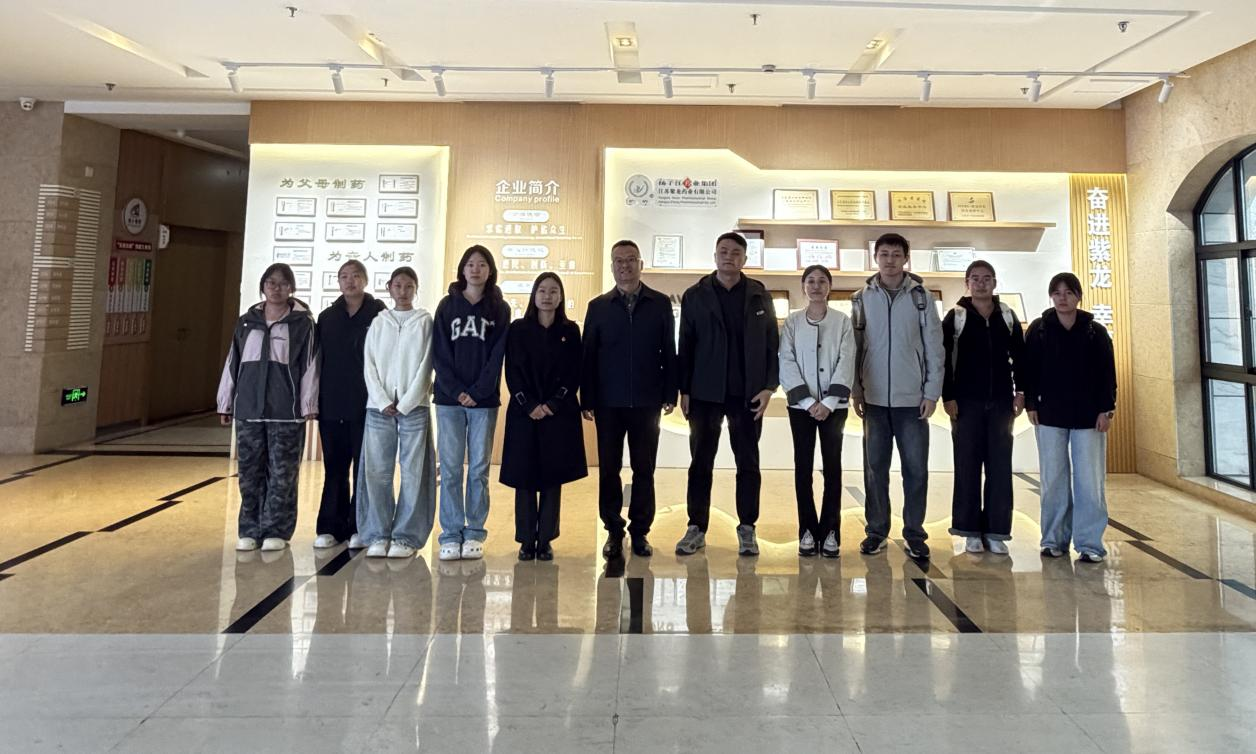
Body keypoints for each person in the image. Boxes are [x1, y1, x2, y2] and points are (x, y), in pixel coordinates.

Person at [675, 231, 780, 557]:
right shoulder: (696, 295)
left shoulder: (759, 295)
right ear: (715, 256)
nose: (729, 257)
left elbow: (772, 344)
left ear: (745, 259)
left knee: (748, 462)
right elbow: (685, 344)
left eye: (736, 253)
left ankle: (747, 527)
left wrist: (769, 387)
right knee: (700, 462)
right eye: (723, 251)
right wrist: (684, 388)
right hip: (705, 392)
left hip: (748, 393)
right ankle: (696, 527)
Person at [581, 240, 677, 559]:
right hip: (608, 402)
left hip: (648, 401)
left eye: (631, 259)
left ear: (641, 264)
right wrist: (587, 398)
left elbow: (669, 350)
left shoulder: (659, 303)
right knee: (609, 469)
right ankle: (612, 530)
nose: (625, 265)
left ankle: (640, 531)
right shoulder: (598, 306)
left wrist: (670, 392)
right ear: (612, 266)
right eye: (619, 261)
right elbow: (588, 355)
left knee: (644, 469)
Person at [851, 232, 944, 560]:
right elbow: (856, 346)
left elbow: (934, 347)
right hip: (874, 399)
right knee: (875, 468)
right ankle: (876, 531)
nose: (889, 260)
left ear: (906, 258)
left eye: (896, 254)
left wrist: (931, 392)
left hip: (912, 401)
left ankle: (914, 533)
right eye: (884, 254)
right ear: (875, 258)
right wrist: (857, 389)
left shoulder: (922, 297)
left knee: (915, 470)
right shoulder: (861, 298)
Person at [217, 263, 319, 553]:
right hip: (249, 409)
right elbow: (233, 362)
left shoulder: (303, 324)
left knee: (283, 475)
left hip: (286, 411)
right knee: (249, 474)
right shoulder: (246, 322)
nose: (276, 288)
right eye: (271, 283)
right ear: (263, 286)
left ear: (292, 288)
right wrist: (225, 401)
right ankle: (249, 529)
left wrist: (308, 404)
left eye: (283, 283)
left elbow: (310, 365)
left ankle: (277, 530)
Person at [1020, 272, 1117, 563]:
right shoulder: (1039, 329)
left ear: (1079, 296)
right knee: (1053, 480)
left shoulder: (1095, 331)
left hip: (1089, 416)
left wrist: (1106, 409)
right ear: (1051, 296)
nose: (1063, 298)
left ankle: (1090, 544)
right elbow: (1028, 370)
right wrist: (1031, 403)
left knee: (1090, 481)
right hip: (1049, 414)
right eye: (1057, 293)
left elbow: (1107, 373)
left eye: (1069, 293)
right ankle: (1053, 540)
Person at [432, 245, 511, 562]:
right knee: (451, 469)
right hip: (448, 400)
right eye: (470, 264)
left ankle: (475, 531)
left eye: (482, 264)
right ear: (462, 270)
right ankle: (451, 534)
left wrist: (477, 391)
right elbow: (439, 352)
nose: (476, 269)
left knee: (478, 469)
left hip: (484, 400)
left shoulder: (499, 308)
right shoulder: (447, 305)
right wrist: (456, 390)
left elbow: (497, 355)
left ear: (490, 271)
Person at [501, 273, 587, 561]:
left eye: (553, 291)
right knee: (524, 476)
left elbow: (574, 372)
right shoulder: (518, 329)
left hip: (557, 413)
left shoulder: (570, 331)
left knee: (552, 476)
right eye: (542, 290)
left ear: (560, 297)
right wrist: (529, 405)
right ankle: (526, 540)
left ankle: (546, 539)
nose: (547, 296)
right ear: (534, 295)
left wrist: (552, 404)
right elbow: (512, 371)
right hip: (524, 412)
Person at [941, 260, 1025, 555]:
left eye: (986, 278)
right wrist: (948, 396)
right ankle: (969, 531)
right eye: (975, 278)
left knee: (1000, 467)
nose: (981, 283)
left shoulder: (1007, 315)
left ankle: (997, 531)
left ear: (994, 283)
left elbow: (1020, 357)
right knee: (967, 466)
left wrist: (1021, 392)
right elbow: (944, 360)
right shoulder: (956, 316)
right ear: (967, 283)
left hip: (1002, 402)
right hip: (965, 403)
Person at [358, 266, 437, 559]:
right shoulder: (379, 322)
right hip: (378, 408)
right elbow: (369, 364)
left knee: (414, 473)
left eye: (409, 286)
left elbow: (427, 365)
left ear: (416, 289)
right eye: (398, 286)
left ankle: (406, 536)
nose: (403, 292)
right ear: (389, 288)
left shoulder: (424, 322)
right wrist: (381, 400)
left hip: (414, 407)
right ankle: (378, 534)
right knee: (377, 472)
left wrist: (406, 402)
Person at [779, 265, 855, 558]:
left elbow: (847, 360)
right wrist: (809, 402)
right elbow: (786, 361)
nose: (816, 286)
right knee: (803, 468)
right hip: (801, 407)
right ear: (803, 286)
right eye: (810, 281)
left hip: (834, 407)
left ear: (829, 286)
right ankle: (807, 531)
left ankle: (831, 531)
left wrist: (829, 402)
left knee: (833, 468)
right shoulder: (793, 322)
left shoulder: (842, 321)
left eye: (822, 281)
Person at [313, 260, 385, 550]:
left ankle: (359, 526)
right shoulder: (327, 317)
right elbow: (317, 362)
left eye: (355, 276)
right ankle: (330, 526)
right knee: (334, 468)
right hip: (331, 403)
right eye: (344, 276)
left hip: (367, 404)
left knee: (363, 469)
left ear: (365, 280)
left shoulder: (379, 314)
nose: (350, 281)